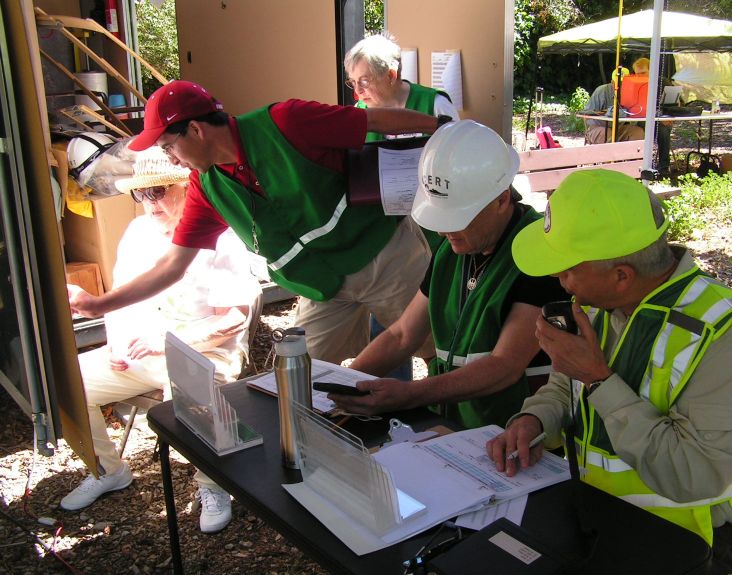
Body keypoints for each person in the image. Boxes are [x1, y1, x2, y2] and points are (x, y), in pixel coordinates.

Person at [486, 169, 732, 575]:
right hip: (591, 508)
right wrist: (533, 421)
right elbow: (562, 390)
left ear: (622, 275)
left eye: (567, 269)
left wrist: (598, 377)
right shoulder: (594, 305)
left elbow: (692, 475)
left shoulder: (727, 337)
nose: (558, 280)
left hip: (685, 539)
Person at [68, 80, 447, 365]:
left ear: (196, 130)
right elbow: (172, 265)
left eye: (168, 146)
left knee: (437, 348)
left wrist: (441, 127)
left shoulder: (286, 122)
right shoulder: (207, 187)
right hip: (321, 287)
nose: (170, 159)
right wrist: (101, 304)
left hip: (384, 257)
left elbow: (373, 120)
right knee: (309, 378)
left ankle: (459, 434)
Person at [62, 147, 262, 534]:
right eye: (140, 193)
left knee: (195, 391)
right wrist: (117, 341)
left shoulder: (219, 233)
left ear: (186, 186)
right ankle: (107, 469)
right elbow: (120, 297)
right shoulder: (138, 232)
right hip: (145, 346)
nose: (148, 203)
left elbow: (235, 319)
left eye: (158, 191)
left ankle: (213, 484)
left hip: (206, 347)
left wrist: (167, 341)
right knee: (68, 382)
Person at [331, 121, 568, 429]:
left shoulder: (538, 254)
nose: (444, 230)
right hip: (453, 426)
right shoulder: (452, 249)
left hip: (512, 435)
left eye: (458, 217)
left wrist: (408, 394)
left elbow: (505, 365)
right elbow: (403, 334)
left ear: (501, 200)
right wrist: (346, 386)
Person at [344, 32, 460, 376]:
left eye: (364, 80)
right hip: (384, 233)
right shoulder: (359, 113)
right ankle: (391, 397)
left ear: (391, 74)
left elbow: (455, 158)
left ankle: (446, 385)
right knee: (387, 317)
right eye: (353, 82)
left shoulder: (434, 104)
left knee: (437, 308)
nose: (359, 91)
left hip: (433, 231)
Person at [582, 66, 645, 144]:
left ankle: (632, 156)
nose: (621, 85)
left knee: (638, 132)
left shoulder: (632, 92)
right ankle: (612, 156)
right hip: (597, 128)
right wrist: (605, 113)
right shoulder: (602, 91)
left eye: (625, 83)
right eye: (619, 83)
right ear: (612, 82)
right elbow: (586, 114)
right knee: (606, 133)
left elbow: (637, 111)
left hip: (619, 128)